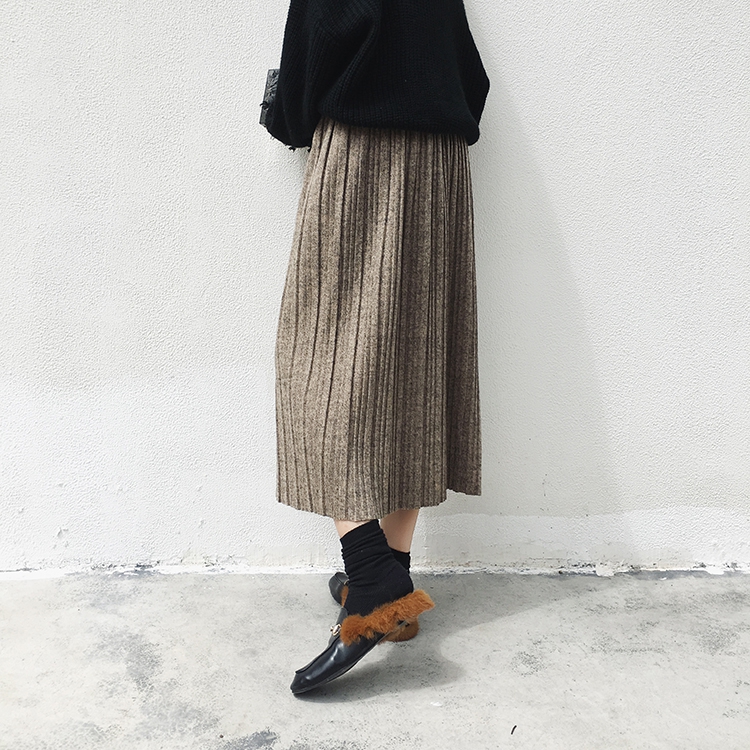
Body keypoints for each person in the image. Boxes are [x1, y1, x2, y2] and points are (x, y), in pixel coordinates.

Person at [261, 0, 490, 694]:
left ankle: (370, 580)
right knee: (414, 369)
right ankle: (396, 583)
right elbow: (472, 79)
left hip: (363, 160)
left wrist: (283, 116)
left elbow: (310, 59)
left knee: (316, 359)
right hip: (441, 171)